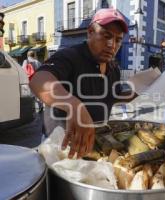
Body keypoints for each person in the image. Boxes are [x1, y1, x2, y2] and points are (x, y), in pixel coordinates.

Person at [29, 8, 130, 158]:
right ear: (90, 32)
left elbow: (113, 96)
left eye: (118, 40)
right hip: (60, 149)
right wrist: (73, 105)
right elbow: (39, 80)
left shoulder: (113, 68)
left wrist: (142, 89)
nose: (112, 45)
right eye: (106, 36)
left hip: (94, 146)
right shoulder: (70, 56)